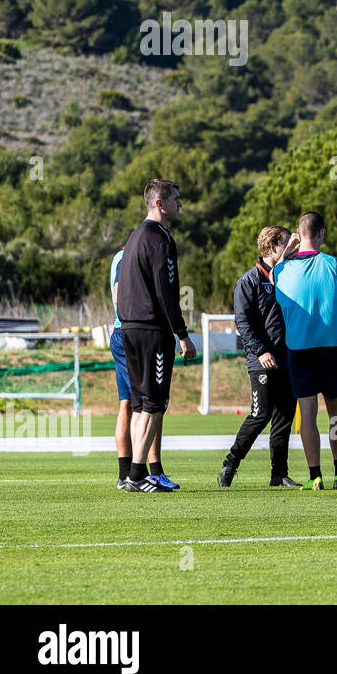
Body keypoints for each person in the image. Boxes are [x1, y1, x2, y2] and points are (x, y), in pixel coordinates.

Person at [115, 179, 196, 493]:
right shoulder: (160, 238)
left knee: (140, 404)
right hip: (152, 331)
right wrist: (182, 334)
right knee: (153, 403)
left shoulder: (135, 235)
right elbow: (167, 290)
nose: (181, 204)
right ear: (160, 204)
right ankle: (137, 475)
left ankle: (133, 475)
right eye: (176, 199)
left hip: (129, 329)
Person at [272, 212, 337, 491]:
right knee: (336, 415)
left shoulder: (281, 270)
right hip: (330, 349)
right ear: (321, 233)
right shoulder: (334, 265)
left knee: (307, 415)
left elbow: (274, 278)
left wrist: (285, 252)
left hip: (298, 350)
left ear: (298, 233)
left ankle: (314, 475)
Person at [218, 226, 299, 488]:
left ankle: (279, 474)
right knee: (260, 414)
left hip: (287, 357)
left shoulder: (289, 276)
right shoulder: (249, 281)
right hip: (261, 360)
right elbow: (243, 322)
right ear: (272, 246)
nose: (290, 248)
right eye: (286, 243)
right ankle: (230, 463)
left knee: (285, 414)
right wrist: (260, 351)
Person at [110, 246, 174, 490]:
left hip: (121, 333)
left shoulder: (120, 255)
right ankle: (148, 473)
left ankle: (126, 473)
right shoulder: (132, 255)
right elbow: (118, 296)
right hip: (133, 333)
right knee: (150, 403)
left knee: (129, 403)